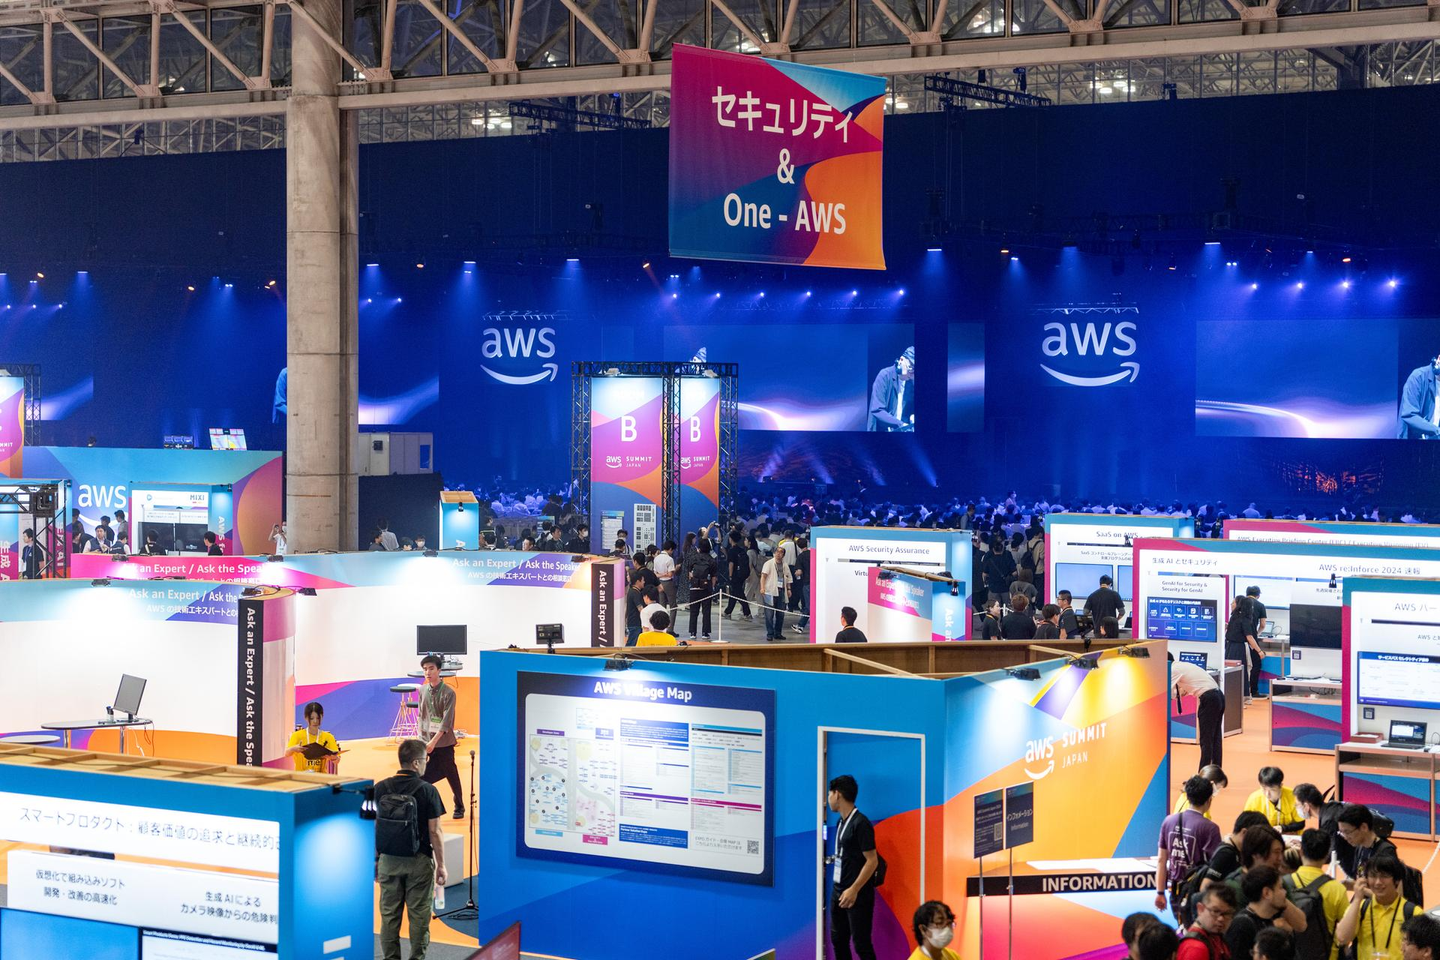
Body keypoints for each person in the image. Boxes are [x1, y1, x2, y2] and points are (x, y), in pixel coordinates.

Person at [375, 738, 448, 960]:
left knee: (389, 917)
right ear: (416, 763)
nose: (427, 763)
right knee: (419, 918)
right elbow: (435, 831)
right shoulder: (428, 791)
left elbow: (371, 827)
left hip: (389, 860)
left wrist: (376, 860)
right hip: (419, 861)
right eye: (425, 759)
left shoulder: (380, 788)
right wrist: (441, 865)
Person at [827, 774, 879, 960]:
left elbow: (872, 861)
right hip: (838, 891)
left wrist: (854, 889)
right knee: (838, 940)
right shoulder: (841, 822)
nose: (828, 799)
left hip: (858, 895)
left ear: (837, 794)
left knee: (861, 944)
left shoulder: (861, 823)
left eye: (829, 794)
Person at [1157, 775, 1223, 918]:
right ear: (1209, 800)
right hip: (1199, 893)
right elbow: (1217, 865)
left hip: (1175, 891)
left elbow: (1161, 860)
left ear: (1187, 797)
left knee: (1182, 924)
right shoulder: (1210, 828)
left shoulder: (1168, 821)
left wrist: (1160, 892)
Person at [1335, 855, 1418, 960]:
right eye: (1373, 876)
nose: (1378, 882)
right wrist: (1357, 899)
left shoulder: (1412, 912)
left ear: (1397, 880)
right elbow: (1342, 937)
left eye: (1384, 876)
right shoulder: (1361, 908)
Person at [1284, 828, 1346, 960]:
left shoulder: (1283, 884)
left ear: (1301, 851)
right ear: (1327, 855)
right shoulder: (1337, 889)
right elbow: (1346, 931)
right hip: (1326, 954)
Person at [417, 655, 463, 819]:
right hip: (426, 741)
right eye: (425, 669)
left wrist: (433, 742)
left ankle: (459, 806)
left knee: (452, 775)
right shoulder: (422, 690)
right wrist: (421, 740)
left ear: (439, 670)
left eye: (431, 669)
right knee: (421, 777)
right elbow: (421, 716)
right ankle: (427, 807)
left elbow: (446, 722)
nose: (428, 672)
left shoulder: (449, 693)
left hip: (443, 742)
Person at [1225, 865, 1304, 960]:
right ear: (1267, 893)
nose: (1285, 892)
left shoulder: (1271, 921)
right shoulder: (1242, 926)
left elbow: (1302, 925)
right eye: (1280, 887)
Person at [1171, 653, 1226, 769]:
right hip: (1218, 696)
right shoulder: (1183, 666)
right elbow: (1184, 690)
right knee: (1215, 737)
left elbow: (1165, 690)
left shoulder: (1173, 669)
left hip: (1209, 699)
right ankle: (1215, 772)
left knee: (1206, 739)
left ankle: (1203, 774)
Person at [1334, 804, 1399, 886]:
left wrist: (1359, 888)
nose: (1345, 837)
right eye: (1341, 832)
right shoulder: (1360, 847)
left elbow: (1389, 890)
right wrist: (1349, 885)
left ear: (1364, 827)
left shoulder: (1386, 852)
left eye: (1347, 832)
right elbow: (1363, 882)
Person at [1179, 883, 1239, 960]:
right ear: (1200, 909)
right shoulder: (1196, 948)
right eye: (1215, 911)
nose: (1221, 919)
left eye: (1227, 913)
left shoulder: (1216, 936)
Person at [867, 346, 915, 433]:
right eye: (911, 369)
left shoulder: (911, 383)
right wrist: (900, 424)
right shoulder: (884, 376)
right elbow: (877, 410)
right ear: (901, 360)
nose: (912, 375)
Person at [1244, 767, 1305, 834]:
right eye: (1264, 789)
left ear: (1281, 786)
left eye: (1272, 790)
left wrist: (1284, 828)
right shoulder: (1253, 800)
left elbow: (1301, 823)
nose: (1267, 794)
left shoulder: (1294, 797)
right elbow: (1246, 824)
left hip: (1290, 837)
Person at [285, 701, 340, 773]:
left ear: (322, 717)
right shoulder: (297, 735)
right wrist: (293, 749)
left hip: (321, 777)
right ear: (306, 718)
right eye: (312, 718)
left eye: (318, 718)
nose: (315, 721)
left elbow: (336, 760)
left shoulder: (328, 737)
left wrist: (334, 758)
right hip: (301, 777)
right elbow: (287, 754)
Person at [1224, 595, 1260, 706]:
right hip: (1232, 646)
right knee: (1237, 672)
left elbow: (1249, 637)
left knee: (1239, 672)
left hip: (1237, 648)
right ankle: (1239, 697)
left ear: (1239, 604)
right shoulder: (1236, 617)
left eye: (1233, 602)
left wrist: (1259, 651)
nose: (1231, 604)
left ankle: (1241, 697)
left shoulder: (1241, 619)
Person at [1397, 352, 1440, 438]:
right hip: (1412, 442)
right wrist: (1437, 431)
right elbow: (1409, 414)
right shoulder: (1418, 377)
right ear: (1439, 359)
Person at [684, 538, 718, 640]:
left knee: (693, 611)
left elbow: (689, 574)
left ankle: (693, 633)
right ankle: (705, 633)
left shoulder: (693, 558)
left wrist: (693, 582)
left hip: (694, 588)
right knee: (706, 611)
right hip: (706, 588)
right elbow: (714, 577)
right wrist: (712, 587)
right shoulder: (712, 560)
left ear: (699, 548)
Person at [760, 544, 790, 641]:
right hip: (770, 591)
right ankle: (770, 633)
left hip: (781, 591)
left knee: (780, 614)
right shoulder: (768, 563)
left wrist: (789, 589)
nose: (778, 554)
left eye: (781, 552)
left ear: (783, 555)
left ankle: (778, 633)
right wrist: (762, 588)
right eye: (777, 552)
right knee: (769, 615)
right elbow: (763, 576)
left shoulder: (785, 565)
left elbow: (788, 578)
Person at [722, 531, 753, 621]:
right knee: (734, 593)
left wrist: (730, 575)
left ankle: (747, 612)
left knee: (739, 593)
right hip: (742, 574)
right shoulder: (741, 550)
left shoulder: (732, 550)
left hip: (735, 575)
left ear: (731, 539)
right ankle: (728, 611)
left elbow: (731, 564)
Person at [1246, 585, 1268, 699]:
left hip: (1238, 639)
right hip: (1252, 639)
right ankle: (1254, 691)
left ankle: (1241, 691)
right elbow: (1263, 625)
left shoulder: (1240, 603)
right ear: (1258, 596)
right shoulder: (1260, 605)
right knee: (1256, 664)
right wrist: (1257, 634)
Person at [624, 571, 648, 646]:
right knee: (632, 644)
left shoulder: (633, 591)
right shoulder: (635, 593)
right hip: (635, 623)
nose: (644, 582)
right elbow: (640, 608)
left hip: (634, 622)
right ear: (638, 581)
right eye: (643, 580)